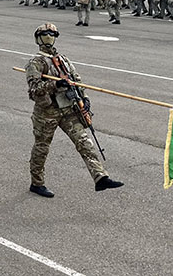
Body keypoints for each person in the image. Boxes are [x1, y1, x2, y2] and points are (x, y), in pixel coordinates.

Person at [24, 23, 123, 196]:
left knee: (85, 143)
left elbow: (76, 80)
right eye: (45, 34)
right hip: (47, 112)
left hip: (68, 109)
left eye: (52, 34)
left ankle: (100, 177)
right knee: (42, 148)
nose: (49, 37)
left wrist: (83, 98)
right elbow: (33, 90)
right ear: (38, 38)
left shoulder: (64, 60)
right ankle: (36, 183)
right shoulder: (35, 63)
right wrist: (55, 84)